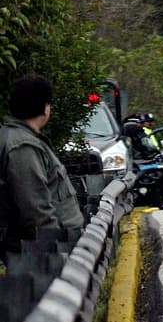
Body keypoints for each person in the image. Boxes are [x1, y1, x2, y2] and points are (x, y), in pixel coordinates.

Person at [0, 75, 86, 253]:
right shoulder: (22, 146)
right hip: (44, 252)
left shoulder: (21, 139)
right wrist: (56, 247)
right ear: (45, 108)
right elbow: (35, 208)